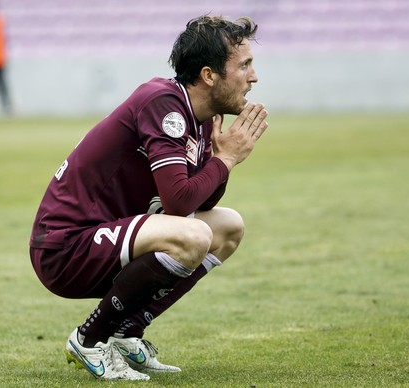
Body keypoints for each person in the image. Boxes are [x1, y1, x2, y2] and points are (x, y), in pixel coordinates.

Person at [29, 15, 268, 381]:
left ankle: (127, 331)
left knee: (227, 228)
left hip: (109, 236)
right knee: (194, 236)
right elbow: (177, 203)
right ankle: (89, 339)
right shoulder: (163, 104)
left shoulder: (200, 117)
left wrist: (222, 160)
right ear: (208, 75)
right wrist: (226, 159)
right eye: (245, 66)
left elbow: (201, 201)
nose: (254, 77)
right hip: (65, 246)